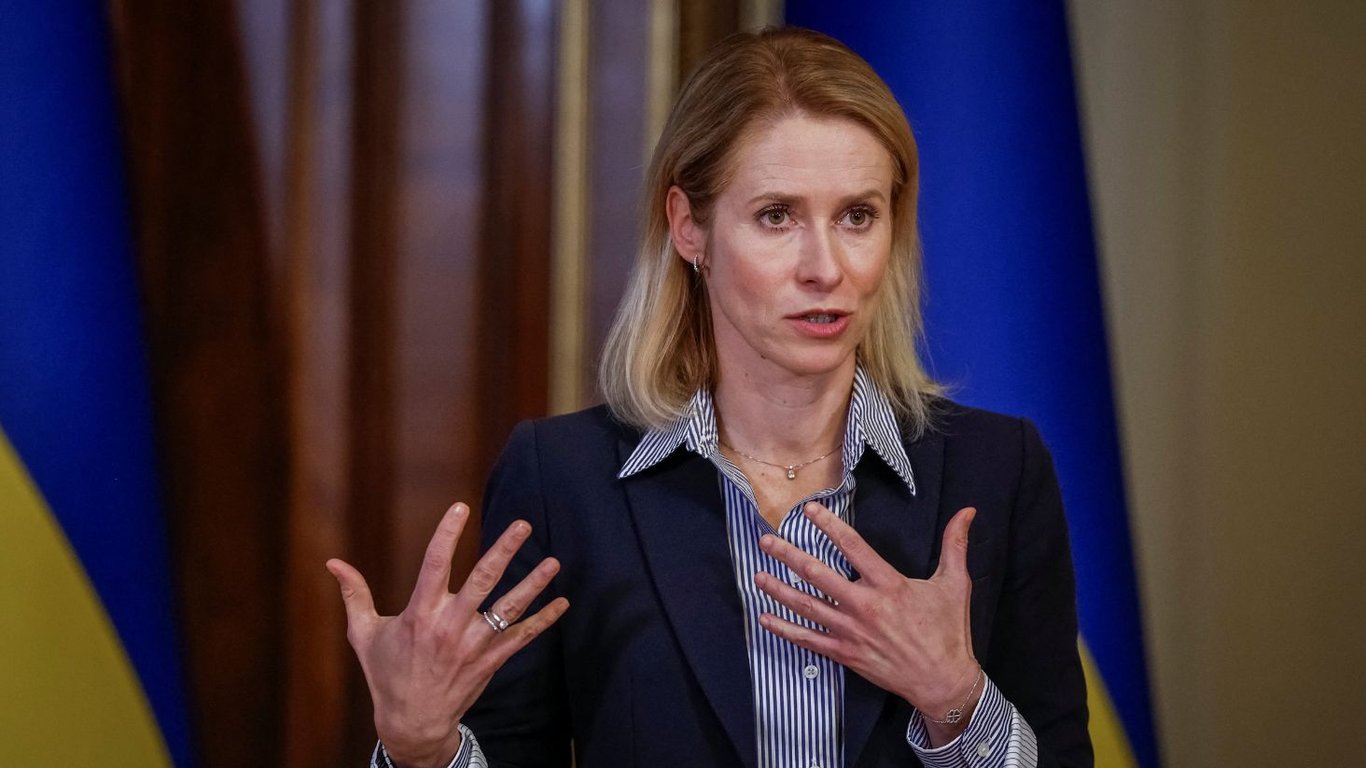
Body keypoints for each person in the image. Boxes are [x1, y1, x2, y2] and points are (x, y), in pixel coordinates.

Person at [328, 27, 1092, 768]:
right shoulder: (564, 481)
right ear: (689, 227)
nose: (825, 267)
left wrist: (958, 702)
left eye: (857, 216)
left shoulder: (999, 471)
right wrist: (422, 751)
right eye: (777, 216)